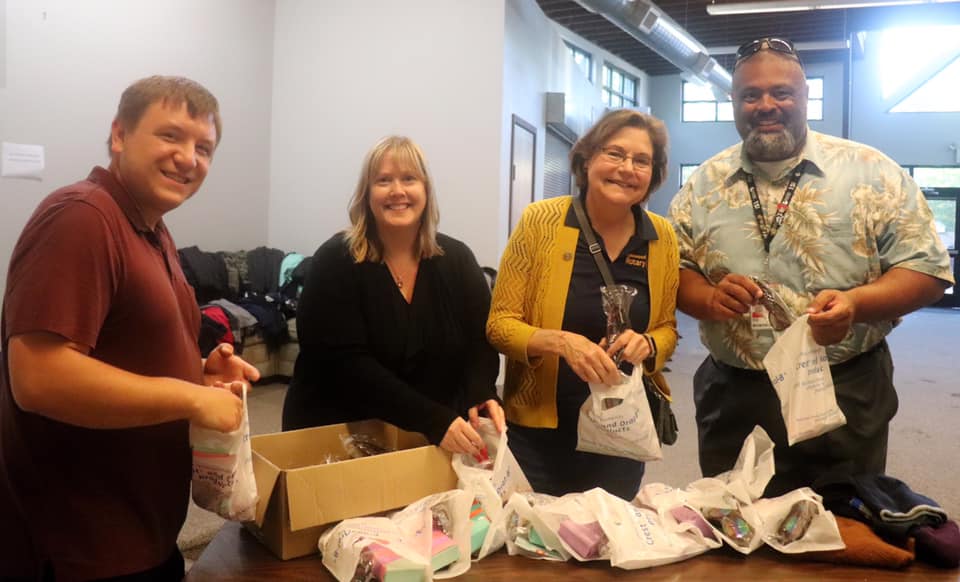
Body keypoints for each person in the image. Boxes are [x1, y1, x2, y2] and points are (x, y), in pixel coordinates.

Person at [668, 37, 954, 497]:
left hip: (843, 388)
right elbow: (674, 269)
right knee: (733, 520)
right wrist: (707, 297)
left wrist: (856, 305)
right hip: (734, 392)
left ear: (805, 96)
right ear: (734, 102)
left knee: (843, 519)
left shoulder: (873, 172)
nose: (766, 105)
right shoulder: (703, 183)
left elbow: (927, 270)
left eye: (781, 92)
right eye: (750, 95)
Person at [0, 76, 260, 580]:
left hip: (142, 534)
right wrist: (189, 398)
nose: (188, 158)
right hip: (83, 551)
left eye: (204, 147)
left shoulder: (150, 228)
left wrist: (200, 374)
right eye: (170, 136)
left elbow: (125, 349)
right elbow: (38, 377)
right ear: (120, 135)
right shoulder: (82, 217)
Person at [487, 109, 679, 500]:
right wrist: (562, 343)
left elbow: (667, 329)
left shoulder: (662, 237)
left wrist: (648, 344)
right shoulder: (540, 222)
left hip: (620, 431)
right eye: (615, 153)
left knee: (606, 534)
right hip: (539, 435)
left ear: (653, 174)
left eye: (641, 161)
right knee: (534, 535)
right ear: (587, 158)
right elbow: (500, 324)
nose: (627, 169)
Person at [282, 136, 504, 455]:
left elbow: (480, 342)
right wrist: (433, 420)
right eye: (384, 180)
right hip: (338, 438)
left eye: (409, 179)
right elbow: (345, 366)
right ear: (367, 194)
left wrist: (481, 392)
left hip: (427, 439)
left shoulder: (457, 259)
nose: (397, 191)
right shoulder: (335, 261)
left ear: (426, 190)